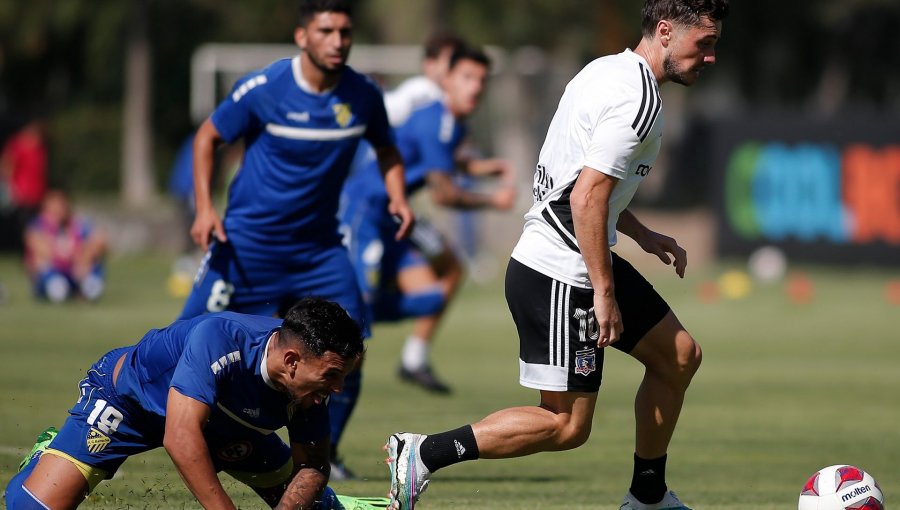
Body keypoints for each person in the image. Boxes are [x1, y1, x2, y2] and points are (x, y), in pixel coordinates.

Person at [384, 1, 729, 509]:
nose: (711, 57)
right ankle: (422, 454)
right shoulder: (638, 99)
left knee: (678, 357)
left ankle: (647, 498)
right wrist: (604, 294)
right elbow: (585, 197)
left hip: (576, 257)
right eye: (705, 44)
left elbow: (582, 185)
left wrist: (640, 233)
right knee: (566, 425)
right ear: (665, 32)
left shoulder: (604, 70)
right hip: (563, 272)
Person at [179, 0, 414, 480]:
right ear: (302, 36)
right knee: (185, 336)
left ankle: (331, 454)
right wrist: (205, 207)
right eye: (326, 31)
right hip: (248, 243)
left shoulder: (363, 95)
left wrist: (398, 197)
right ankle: (127, 422)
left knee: (352, 344)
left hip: (320, 250)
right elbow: (207, 138)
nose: (337, 41)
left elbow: (387, 149)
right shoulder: (265, 89)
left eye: (345, 31)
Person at [3, 298, 389, 510]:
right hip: (131, 404)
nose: (337, 389)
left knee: (311, 507)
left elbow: (312, 466)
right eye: (333, 376)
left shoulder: (310, 386)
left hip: (227, 426)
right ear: (291, 361)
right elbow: (181, 435)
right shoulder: (220, 339)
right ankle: (46, 454)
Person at [341, 45, 514, 394]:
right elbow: (444, 193)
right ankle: (330, 317)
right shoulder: (433, 119)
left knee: (440, 286)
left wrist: (483, 167)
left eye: (481, 80)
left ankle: (412, 357)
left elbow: (441, 159)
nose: (476, 87)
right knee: (355, 328)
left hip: (397, 216)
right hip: (367, 213)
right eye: (467, 78)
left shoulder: (449, 123)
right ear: (445, 79)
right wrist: (493, 200)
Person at [23, 189, 107, 303]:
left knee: (93, 267)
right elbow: (42, 250)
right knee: (44, 267)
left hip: (76, 271)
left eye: (60, 204)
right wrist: (71, 255)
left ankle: (86, 287)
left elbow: (100, 241)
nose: (57, 208)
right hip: (54, 271)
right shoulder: (38, 225)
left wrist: (85, 257)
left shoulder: (78, 223)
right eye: (53, 205)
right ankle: (59, 288)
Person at [383, 32, 466, 127]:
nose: (456, 67)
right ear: (429, 64)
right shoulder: (423, 91)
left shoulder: (446, 98)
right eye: (451, 61)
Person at [1, 118, 48, 251]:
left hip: (37, 192)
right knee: (23, 225)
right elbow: (7, 165)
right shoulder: (18, 144)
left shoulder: (40, 146)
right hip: (22, 192)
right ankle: (23, 251)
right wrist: (10, 187)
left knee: (36, 224)